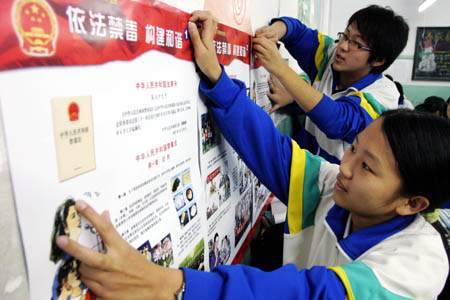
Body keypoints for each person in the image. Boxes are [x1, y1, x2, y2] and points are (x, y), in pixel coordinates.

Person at [55, 11, 449, 300]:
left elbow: (313, 292)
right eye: (355, 150)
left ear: (412, 202)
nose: (343, 165)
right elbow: (273, 151)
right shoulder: (338, 185)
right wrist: (217, 78)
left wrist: (168, 285)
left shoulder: (416, 267)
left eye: (365, 165)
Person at [253, 5, 409, 164]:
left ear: (379, 60)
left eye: (356, 44)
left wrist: (280, 68)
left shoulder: (383, 97)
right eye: (345, 36)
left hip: (336, 183)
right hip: (302, 169)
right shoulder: (331, 55)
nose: (343, 46)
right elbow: (299, 33)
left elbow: (337, 120)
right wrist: (277, 30)